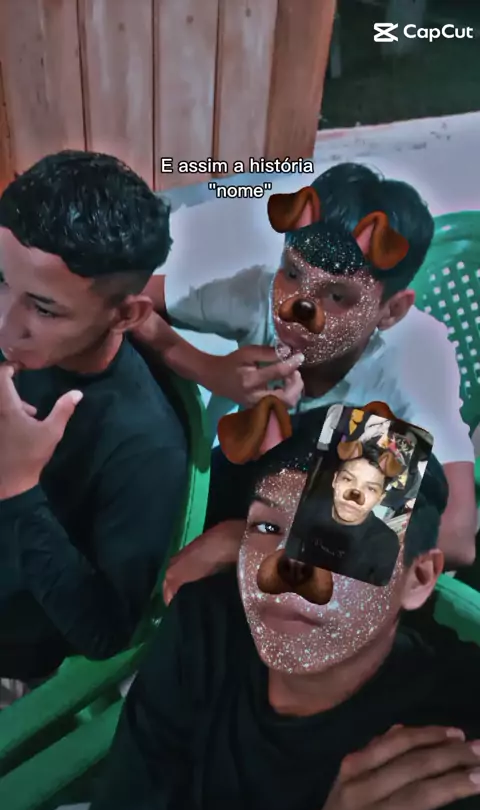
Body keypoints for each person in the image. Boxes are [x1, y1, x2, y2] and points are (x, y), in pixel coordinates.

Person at [74, 408, 480, 810]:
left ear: (418, 579)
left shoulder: (442, 752)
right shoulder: (205, 624)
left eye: (342, 537)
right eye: (268, 527)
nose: (287, 567)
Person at [138, 163, 476, 571]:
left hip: (337, 529)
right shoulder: (257, 293)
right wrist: (207, 368)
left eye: (338, 296)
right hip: (245, 484)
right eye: (293, 272)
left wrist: (257, 540)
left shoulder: (413, 357)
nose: (295, 308)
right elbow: (125, 300)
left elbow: (457, 537)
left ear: (391, 311)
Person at [0, 150, 193, 680]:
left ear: (126, 315)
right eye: (1, 280)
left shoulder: (144, 447)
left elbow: (106, 632)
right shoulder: (23, 339)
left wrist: (19, 489)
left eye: (43, 308)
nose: (5, 325)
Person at [288, 443, 400, 585]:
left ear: (380, 498)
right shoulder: (310, 506)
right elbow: (293, 538)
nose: (354, 494)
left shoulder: (386, 544)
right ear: (335, 480)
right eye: (347, 479)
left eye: (371, 488)